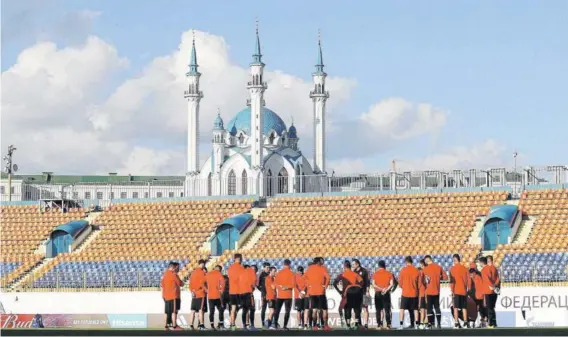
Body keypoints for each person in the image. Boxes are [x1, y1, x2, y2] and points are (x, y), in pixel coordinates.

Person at [333, 260, 364, 329]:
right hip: (356, 293)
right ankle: (356, 324)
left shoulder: (342, 274)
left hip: (347, 294)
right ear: (350, 267)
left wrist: (340, 292)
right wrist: (357, 288)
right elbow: (361, 282)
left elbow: (334, 283)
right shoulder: (355, 274)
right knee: (356, 310)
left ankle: (348, 325)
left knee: (347, 309)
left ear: (344, 267)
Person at [423, 255, 448, 329]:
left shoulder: (425, 269)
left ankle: (430, 324)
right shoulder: (438, 267)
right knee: (437, 307)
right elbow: (446, 277)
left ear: (427, 260)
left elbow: (423, 281)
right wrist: (439, 277)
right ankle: (439, 324)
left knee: (429, 308)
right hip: (437, 291)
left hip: (429, 291)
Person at [305, 257, 330, 330]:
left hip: (312, 292)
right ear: (318, 262)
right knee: (324, 309)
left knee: (314, 310)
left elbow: (305, 278)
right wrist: (325, 286)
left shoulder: (309, 268)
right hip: (321, 292)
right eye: (321, 261)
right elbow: (328, 277)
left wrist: (309, 285)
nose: (322, 262)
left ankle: (314, 326)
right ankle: (325, 326)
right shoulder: (323, 268)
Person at [449, 254, 470, 328]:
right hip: (463, 290)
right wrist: (467, 288)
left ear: (455, 259)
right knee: (464, 307)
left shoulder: (452, 269)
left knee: (455, 308)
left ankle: (456, 322)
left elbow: (452, 282)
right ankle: (465, 322)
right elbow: (468, 280)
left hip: (456, 291)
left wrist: (452, 291)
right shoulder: (464, 268)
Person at [160, 262, 184, 331]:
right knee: (174, 311)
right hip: (173, 296)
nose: (178, 269)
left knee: (167, 312)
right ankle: (174, 326)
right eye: (177, 267)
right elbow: (180, 283)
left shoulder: (165, 274)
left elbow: (162, 285)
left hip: (166, 296)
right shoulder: (174, 275)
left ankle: (166, 326)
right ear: (174, 267)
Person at [398, 256, 420, 329]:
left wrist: (404, 287)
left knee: (402, 309)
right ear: (412, 262)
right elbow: (419, 284)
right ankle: (417, 324)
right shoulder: (416, 270)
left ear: (406, 262)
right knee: (415, 309)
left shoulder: (403, 270)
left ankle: (401, 325)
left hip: (405, 293)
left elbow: (400, 283)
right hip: (414, 293)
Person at [372, 260, 394, 330]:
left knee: (378, 310)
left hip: (378, 293)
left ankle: (379, 325)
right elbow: (391, 284)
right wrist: (386, 289)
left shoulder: (375, 274)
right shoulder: (389, 273)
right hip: (386, 293)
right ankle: (388, 325)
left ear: (378, 266)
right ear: (385, 266)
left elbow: (373, 284)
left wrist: (381, 289)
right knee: (387, 310)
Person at [274, 259, 295, 329]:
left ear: (283, 264)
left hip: (280, 295)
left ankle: (275, 324)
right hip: (288, 295)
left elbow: (275, 284)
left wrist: (280, 288)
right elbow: (293, 285)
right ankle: (285, 326)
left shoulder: (279, 273)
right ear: (289, 264)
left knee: (277, 310)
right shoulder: (292, 273)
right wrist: (287, 287)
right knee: (287, 311)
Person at [227, 253, 245, 330]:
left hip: (232, 291)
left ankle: (232, 324)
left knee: (233, 308)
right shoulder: (241, 268)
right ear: (239, 259)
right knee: (240, 308)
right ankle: (234, 323)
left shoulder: (230, 268)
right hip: (239, 291)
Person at [480, 257, 498, 328]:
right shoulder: (494, 268)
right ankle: (494, 322)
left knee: (489, 307)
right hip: (494, 290)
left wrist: (491, 286)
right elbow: (497, 278)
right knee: (492, 307)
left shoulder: (484, 269)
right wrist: (495, 286)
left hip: (488, 290)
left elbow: (486, 279)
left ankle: (490, 323)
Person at [352, 259, 371, 329]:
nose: (352, 266)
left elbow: (368, 282)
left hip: (364, 292)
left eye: (353, 264)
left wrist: (367, 291)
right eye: (352, 264)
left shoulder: (364, 271)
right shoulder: (353, 272)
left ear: (357, 264)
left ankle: (366, 324)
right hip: (356, 293)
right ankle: (357, 323)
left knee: (365, 309)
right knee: (356, 309)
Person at [206, 265, 226, 330]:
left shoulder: (208, 274)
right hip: (218, 296)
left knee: (211, 311)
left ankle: (212, 326)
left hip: (210, 296)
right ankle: (221, 325)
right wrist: (221, 290)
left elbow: (202, 282)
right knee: (221, 310)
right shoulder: (219, 274)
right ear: (219, 269)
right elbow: (223, 283)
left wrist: (206, 290)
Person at [189, 259, 207, 330]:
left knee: (193, 310)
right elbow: (202, 283)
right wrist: (207, 290)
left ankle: (191, 325)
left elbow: (190, 284)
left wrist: (192, 291)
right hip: (200, 293)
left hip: (194, 294)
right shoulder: (202, 273)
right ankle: (201, 325)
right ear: (202, 264)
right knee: (200, 310)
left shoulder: (193, 272)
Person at [469, 263, 487, 327]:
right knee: (480, 309)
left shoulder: (477, 277)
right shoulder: (477, 275)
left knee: (479, 309)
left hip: (478, 296)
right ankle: (481, 322)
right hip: (477, 295)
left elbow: (477, 287)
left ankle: (479, 322)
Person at [238, 264, 256, 329]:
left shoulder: (240, 274)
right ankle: (252, 325)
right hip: (248, 294)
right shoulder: (250, 274)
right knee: (252, 309)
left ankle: (244, 325)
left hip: (241, 294)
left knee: (244, 310)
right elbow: (253, 285)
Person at [417, 259, 428, 329]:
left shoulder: (422, 272)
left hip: (422, 292)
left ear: (422, 264)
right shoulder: (428, 271)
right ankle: (426, 323)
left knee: (422, 308)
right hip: (428, 292)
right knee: (426, 308)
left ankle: (422, 322)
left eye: (420, 264)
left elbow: (421, 282)